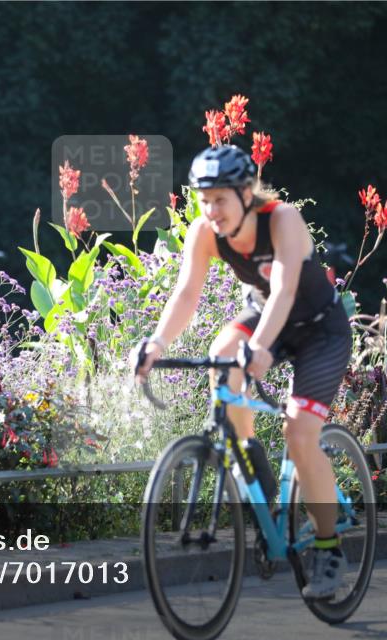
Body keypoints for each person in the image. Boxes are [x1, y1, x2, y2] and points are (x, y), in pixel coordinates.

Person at [132, 144, 353, 599]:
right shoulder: (205, 232)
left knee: (299, 432)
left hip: (318, 330)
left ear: (246, 193)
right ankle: (257, 475)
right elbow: (187, 294)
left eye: (220, 200)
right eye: (203, 199)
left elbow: (285, 291)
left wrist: (260, 345)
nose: (211, 210)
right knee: (220, 356)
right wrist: (156, 344)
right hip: (263, 316)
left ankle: (328, 548)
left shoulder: (282, 219)